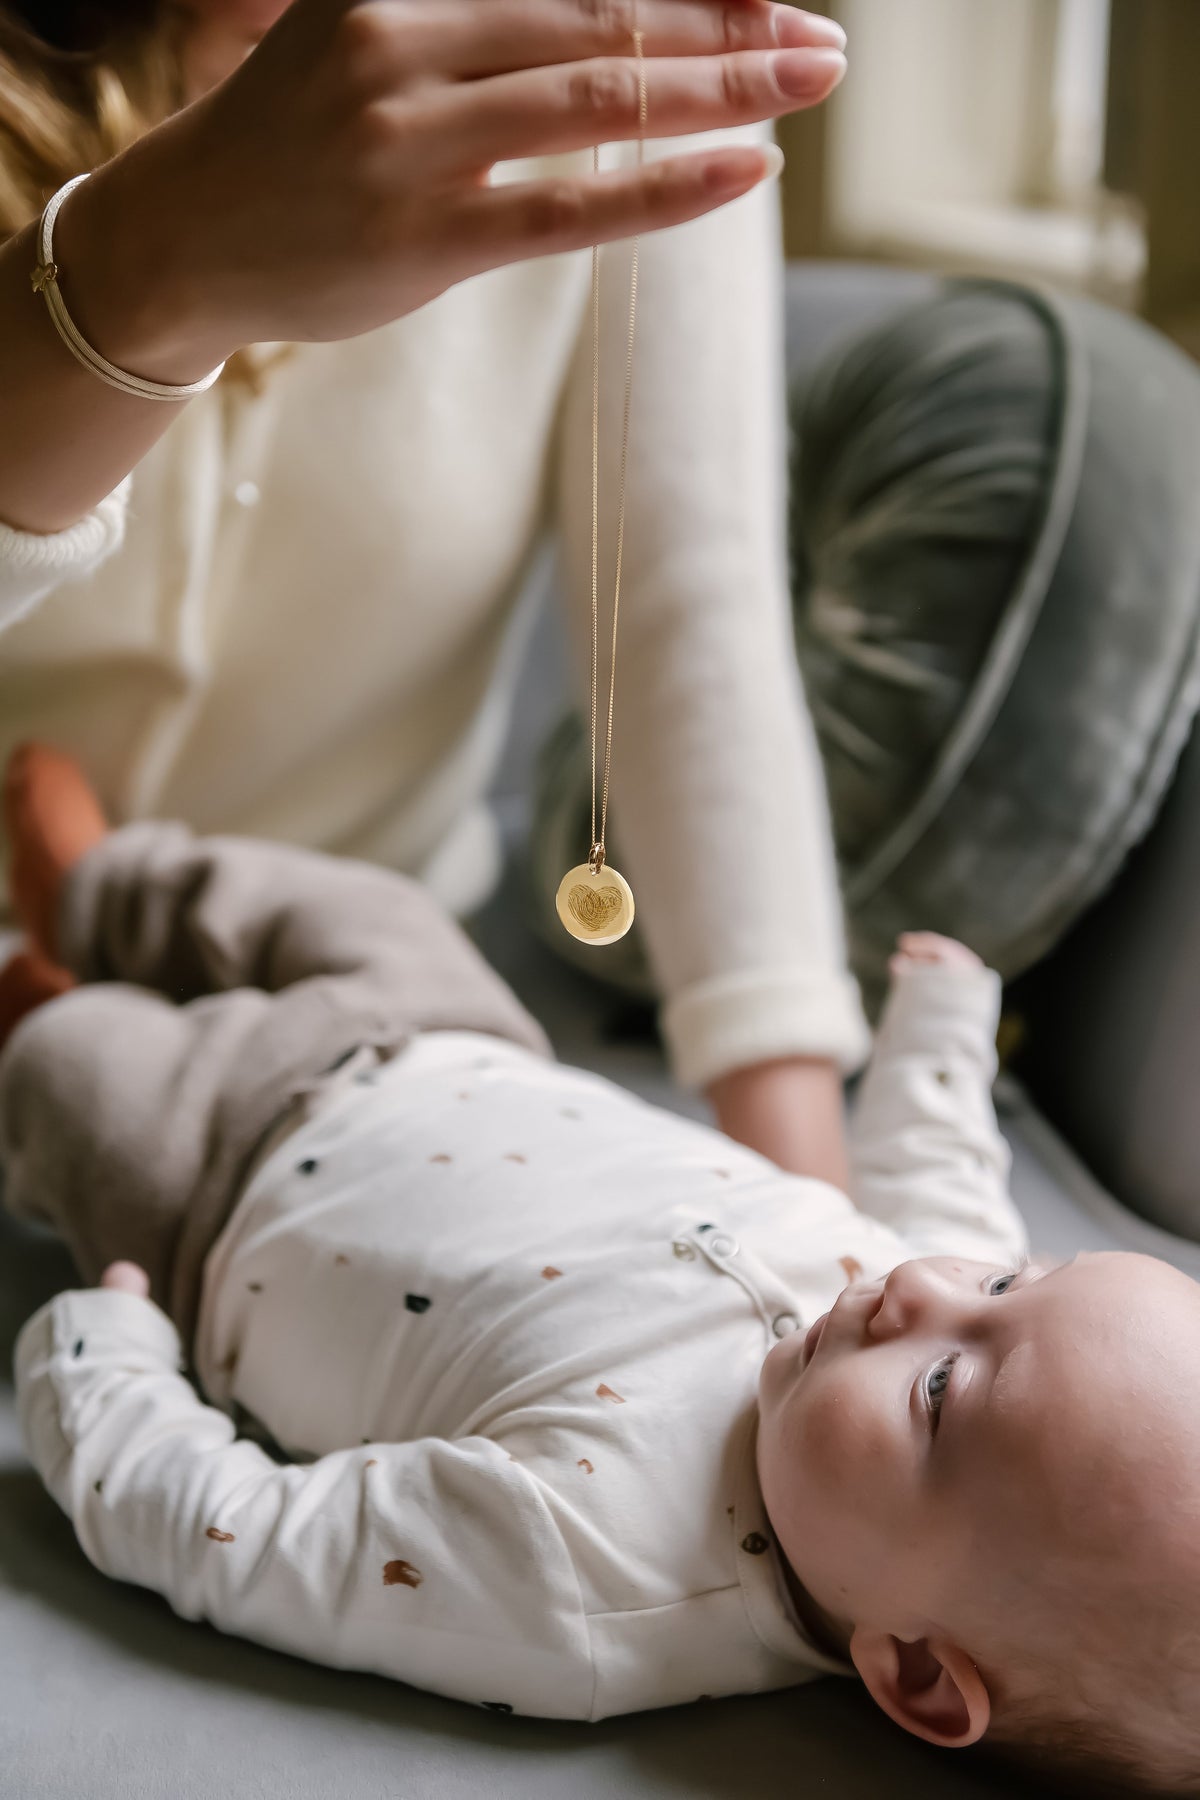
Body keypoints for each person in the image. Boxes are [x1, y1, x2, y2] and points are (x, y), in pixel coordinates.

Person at [8, 746, 1200, 1799]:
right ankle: (100, 890)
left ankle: (39, 999)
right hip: (454, 1037)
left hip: (217, 1183)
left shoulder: (586, 1582)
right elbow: (947, 1177)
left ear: (921, 1671)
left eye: (939, 1395)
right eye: (1012, 1284)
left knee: (78, 1074)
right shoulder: (924, 1297)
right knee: (370, 912)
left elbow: (253, 1544)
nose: (924, 1293)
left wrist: (106, 1372)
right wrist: (941, 1030)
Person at [0, 0, 866, 1189]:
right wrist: (138, 270)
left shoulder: (628, 57)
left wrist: (819, 1212)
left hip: (355, 1021)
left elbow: (692, 624)